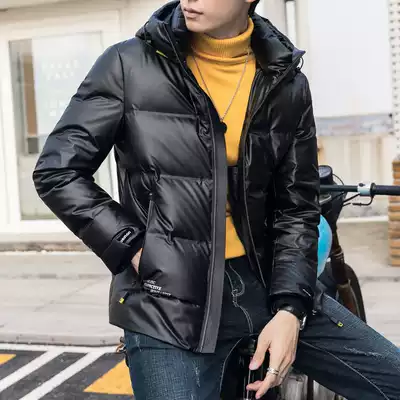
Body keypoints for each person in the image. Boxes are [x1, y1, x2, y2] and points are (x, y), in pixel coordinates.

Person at [33, 0, 400, 399]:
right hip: (168, 300)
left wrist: (291, 310)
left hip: (267, 282)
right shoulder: (128, 64)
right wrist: (135, 248)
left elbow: (296, 206)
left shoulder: (285, 81)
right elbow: (58, 171)